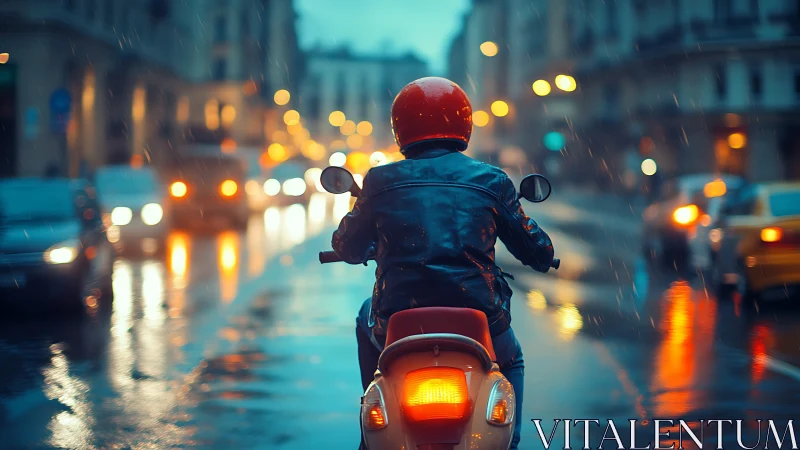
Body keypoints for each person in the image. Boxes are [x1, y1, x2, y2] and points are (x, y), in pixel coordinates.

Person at [331, 77, 555, 450]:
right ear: (463, 124)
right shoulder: (491, 180)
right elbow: (537, 251)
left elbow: (346, 246)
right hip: (479, 315)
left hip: (399, 316)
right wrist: (541, 252)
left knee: (364, 316)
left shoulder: (379, 180)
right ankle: (509, 441)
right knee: (510, 359)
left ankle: (373, 416)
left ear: (400, 126)